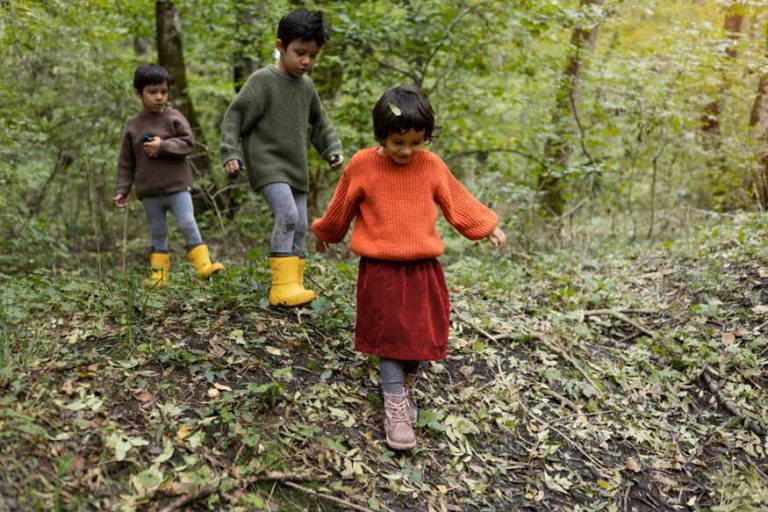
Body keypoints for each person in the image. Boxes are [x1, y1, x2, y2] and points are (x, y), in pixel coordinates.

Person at [312, 85, 507, 451]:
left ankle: (407, 385)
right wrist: (325, 231)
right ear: (381, 135)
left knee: (419, 334)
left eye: (415, 143)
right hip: (380, 268)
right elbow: (341, 208)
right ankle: (394, 402)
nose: (406, 151)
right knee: (389, 337)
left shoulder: (431, 165)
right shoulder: (362, 165)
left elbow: (458, 201)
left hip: (422, 268)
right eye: (398, 143)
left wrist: (487, 227)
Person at [220, 7, 343, 307]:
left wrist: (332, 148)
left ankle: (294, 285)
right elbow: (234, 116)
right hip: (267, 163)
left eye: (313, 56)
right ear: (280, 46)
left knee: (301, 224)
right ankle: (280, 288)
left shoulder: (307, 86)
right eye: (300, 52)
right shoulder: (262, 81)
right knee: (287, 215)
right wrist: (230, 152)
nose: (306, 61)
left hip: (295, 166)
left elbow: (320, 122)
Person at [114, 63, 224, 287]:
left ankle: (203, 266)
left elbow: (188, 143)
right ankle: (159, 275)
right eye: (152, 92)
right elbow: (126, 162)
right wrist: (122, 190)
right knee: (157, 231)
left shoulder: (174, 117)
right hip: (149, 191)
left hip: (177, 187)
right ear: (139, 93)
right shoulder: (133, 126)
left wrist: (163, 146)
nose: (159, 97)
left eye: (163, 92)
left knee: (187, 223)